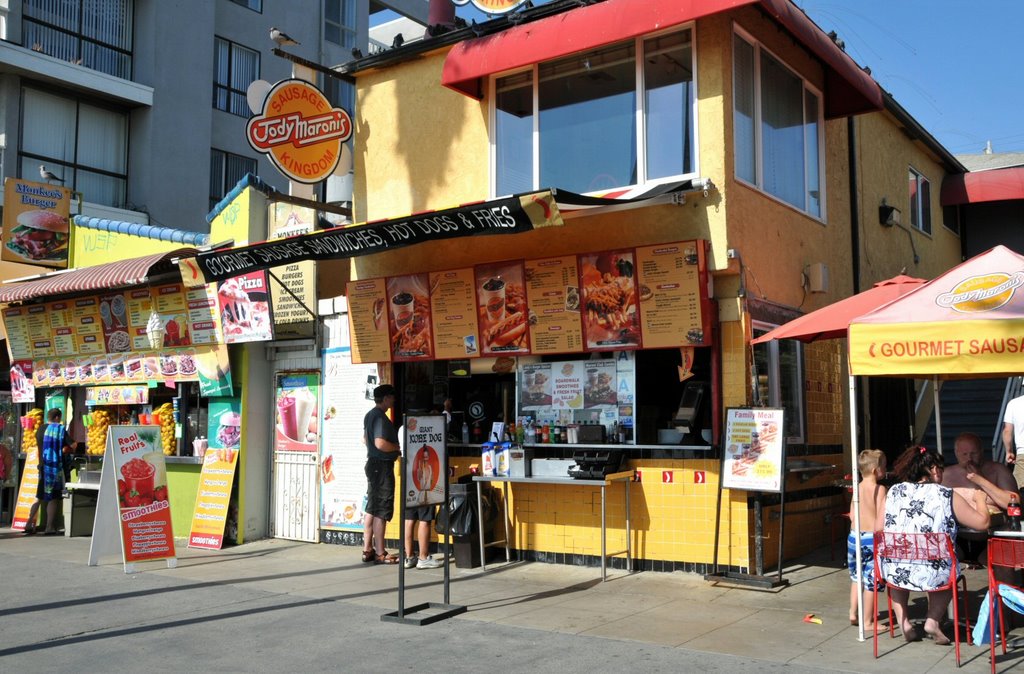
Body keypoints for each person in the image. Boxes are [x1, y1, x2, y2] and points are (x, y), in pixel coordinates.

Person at [878, 445, 990, 644]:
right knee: (947, 566)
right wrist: (980, 498)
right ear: (934, 470)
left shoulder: (893, 491)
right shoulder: (945, 495)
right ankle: (933, 621)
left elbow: (879, 526)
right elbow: (982, 523)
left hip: (894, 569)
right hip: (935, 571)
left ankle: (904, 622)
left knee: (898, 564)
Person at [361, 384, 400, 564]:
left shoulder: (369, 415)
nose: (393, 400)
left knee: (372, 507)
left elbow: (364, 439)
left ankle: (367, 549)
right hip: (382, 467)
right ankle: (380, 552)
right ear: (385, 399)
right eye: (391, 397)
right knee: (382, 509)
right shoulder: (380, 418)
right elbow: (380, 443)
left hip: (373, 465)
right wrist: (397, 448)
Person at [849, 449, 887, 628]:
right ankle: (868, 621)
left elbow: (851, 515)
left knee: (856, 577)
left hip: (853, 536)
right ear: (875, 471)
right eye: (884, 467)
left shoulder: (856, 488)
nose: (886, 470)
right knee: (872, 580)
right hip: (871, 538)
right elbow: (882, 516)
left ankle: (852, 612)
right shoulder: (880, 489)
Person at [25, 409, 75, 535]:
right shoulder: (60, 429)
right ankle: (49, 527)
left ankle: (28, 523)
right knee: (53, 498)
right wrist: (69, 447)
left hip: (43, 466)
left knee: (39, 496)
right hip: (55, 468)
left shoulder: (40, 429)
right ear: (57, 417)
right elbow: (73, 445)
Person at [940, 432, 1017, 510]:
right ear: (956, 453)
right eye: (964, 454)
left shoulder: (998, 470)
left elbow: (1013, 503)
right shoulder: (945, 475)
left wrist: (981, 480)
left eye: (974, 453)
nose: (969, 458)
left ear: (981, 451)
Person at [403, 505, 441, 569]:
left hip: (409, 495)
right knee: (425, 519)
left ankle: (409, 557)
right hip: (425, 495)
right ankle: (423, 558)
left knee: (409, 519)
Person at [1004, 392, 1024, 492]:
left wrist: (1009, 451)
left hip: (1022, 453)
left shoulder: (1014, 404)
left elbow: (1007, 431)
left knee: (1019, 490)